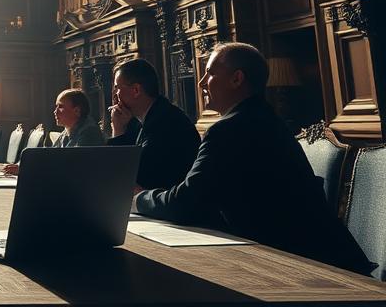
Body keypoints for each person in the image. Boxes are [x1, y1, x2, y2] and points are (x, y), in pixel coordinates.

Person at [135, 42, 373, 275]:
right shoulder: (261, 118)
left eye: (209, 73)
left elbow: (183, 204)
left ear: (237, 79)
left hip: (313, 268)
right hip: (316, 255)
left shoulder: (230, 129)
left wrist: (138, 198)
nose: (201, 83)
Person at [108, 58, 199, 189]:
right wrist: (119, 129)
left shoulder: (165, 123)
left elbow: (129, 177)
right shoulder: (141, 120)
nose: (115, 96)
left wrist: (118, 132)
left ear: (136, 90)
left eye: (117, 88)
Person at [2, 88, 103, 175]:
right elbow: (48, 157)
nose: (55, 111)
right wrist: (22, 165)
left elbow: (70, 168)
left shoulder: (89, 133)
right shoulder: (68, 130)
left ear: (76, 111)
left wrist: (28, 170)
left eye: (61, 107)